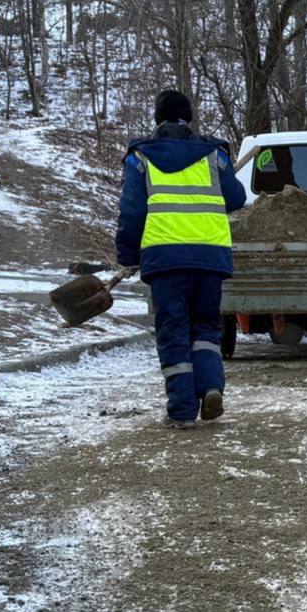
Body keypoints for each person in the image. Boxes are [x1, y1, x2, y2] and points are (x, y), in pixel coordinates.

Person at [115, 90, 246, 429]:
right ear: (188, 118)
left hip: (166, 258)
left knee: (173, 332)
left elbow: (131, 211)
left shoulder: (140, 157)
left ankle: (183, 410)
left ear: (158, 119)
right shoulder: (213, 154)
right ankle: (212, 387)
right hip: (210, 256)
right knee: (205, 328)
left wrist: (129, 255)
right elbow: (236, 198)